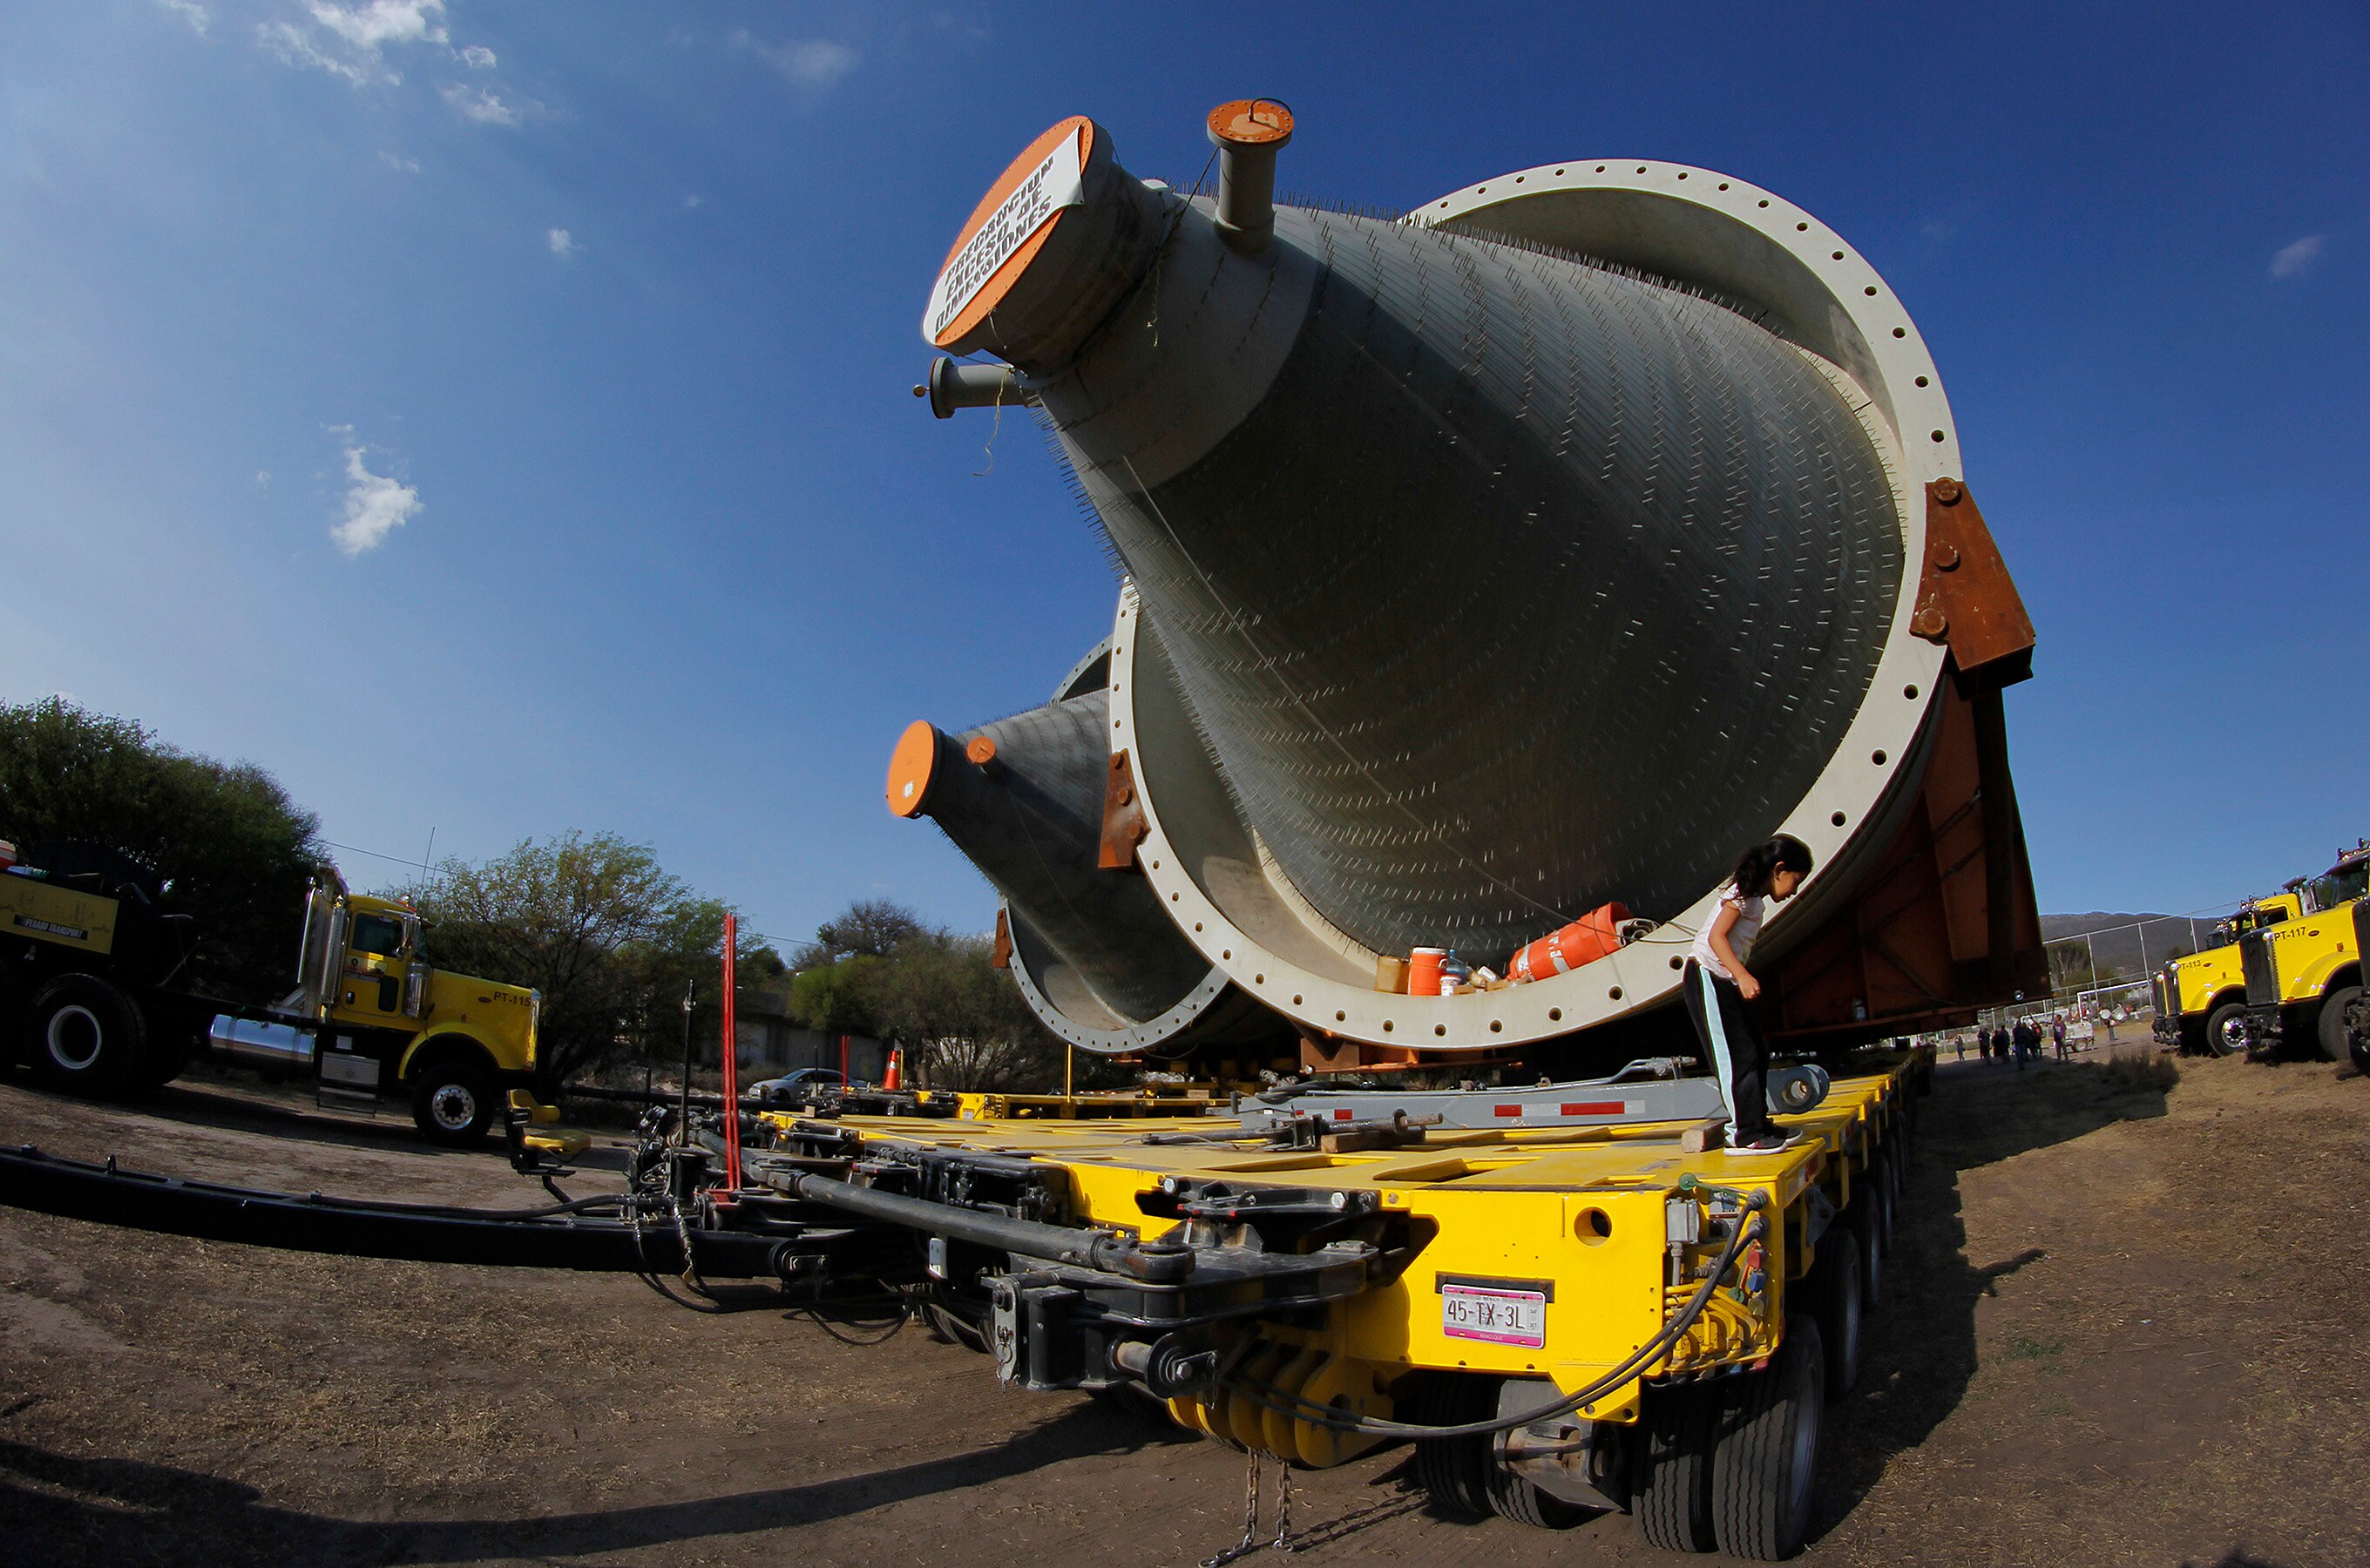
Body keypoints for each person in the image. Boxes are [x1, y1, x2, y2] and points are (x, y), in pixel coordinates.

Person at [1683, 835, 1814, 1154]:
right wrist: (1741, 975)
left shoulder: (1754, 899)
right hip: (1707, 976)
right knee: (1736, 1057)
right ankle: (1743, 1134)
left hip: (1724, 980)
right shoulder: (1741, 894)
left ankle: (1757, 1122)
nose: (1794, 891)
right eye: (1795, 882)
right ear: (1779, 869)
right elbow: (1717, 938)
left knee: (1756, 1048)